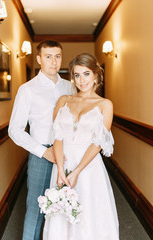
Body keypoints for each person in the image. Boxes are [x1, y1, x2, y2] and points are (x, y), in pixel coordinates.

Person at [43, 53, 119, 240]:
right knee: (62, 214)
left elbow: (98, 143)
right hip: (63, 163)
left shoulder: (105, 104)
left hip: (88, 167)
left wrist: (76, 171)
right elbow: (58, 136)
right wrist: (60, 169)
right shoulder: (64, 100)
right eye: (77, 75)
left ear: (96, 75)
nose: (81, 80)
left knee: (90, 215)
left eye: (86, 74)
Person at [8, 40, 73, 240]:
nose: (54, 62)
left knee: (67, 209)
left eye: (57, 56)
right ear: (38, 59)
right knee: (36, 211)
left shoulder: (71, 87)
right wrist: (44, 151)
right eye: (48, 56)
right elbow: (14, 130)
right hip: (42, 155)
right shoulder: (28, 89)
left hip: (69, 154)